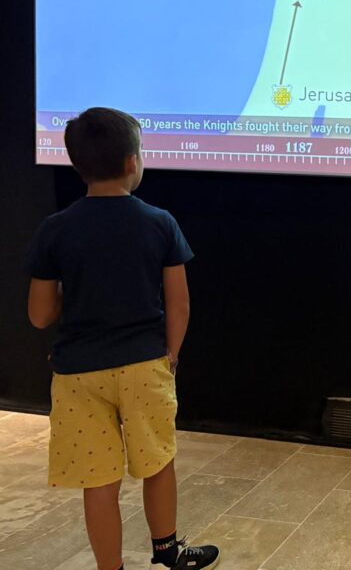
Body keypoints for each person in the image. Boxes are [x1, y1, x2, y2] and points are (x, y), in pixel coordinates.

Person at [25, 108, 220, 570]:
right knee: (158, 461)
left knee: (99, 480)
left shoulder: (54, 229)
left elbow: (39, 315)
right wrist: (171, 355)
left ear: (77, 165)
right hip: (144, 366)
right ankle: (168, 550)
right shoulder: (160, 221)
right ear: (133, 162)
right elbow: (179, 303)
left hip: (78, 375)